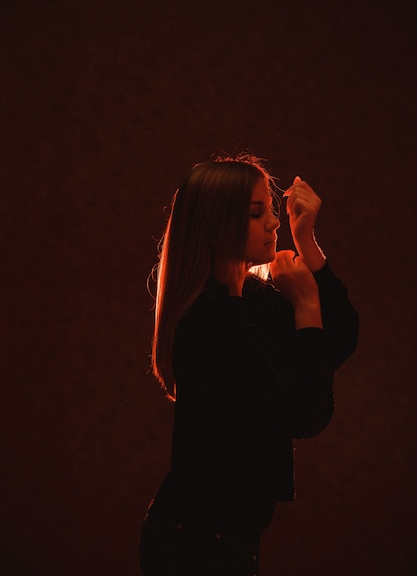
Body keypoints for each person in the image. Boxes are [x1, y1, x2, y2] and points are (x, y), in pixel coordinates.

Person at [139, 154, 359, 576]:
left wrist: (308, 244)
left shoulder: (252, 302)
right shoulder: (212, 319)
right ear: (216, 227)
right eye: (257, 213)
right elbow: (307, 413)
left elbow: (338, 339)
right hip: (193, 546)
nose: (275, 223)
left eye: (272, 210)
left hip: (227, 540)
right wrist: (307, 306)